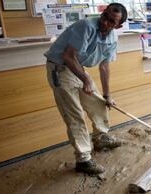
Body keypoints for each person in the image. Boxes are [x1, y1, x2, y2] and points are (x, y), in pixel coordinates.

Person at [44, 3, 128, 174]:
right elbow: (67, 56)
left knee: (98, 103)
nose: (105, 23)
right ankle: (83, 160)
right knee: (75, 115)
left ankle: (100, 138)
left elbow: (104, 67)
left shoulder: (112, 38)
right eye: (105, 16)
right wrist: (85, 79)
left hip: (77, 68)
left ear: (118, 26)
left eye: (111, 21)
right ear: (103, 13)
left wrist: (107, 95)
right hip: (60, 68)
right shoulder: (86, 26)